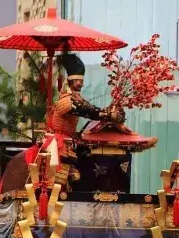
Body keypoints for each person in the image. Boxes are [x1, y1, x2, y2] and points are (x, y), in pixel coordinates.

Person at [51, 53, 124, 186]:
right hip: (59, 143)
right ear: (71, 81)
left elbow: (90, 109)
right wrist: (107, 114)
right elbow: (87, 111)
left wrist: (107, 112)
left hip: (68, 142)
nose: (81, 84)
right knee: (59, 181)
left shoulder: (77, 99)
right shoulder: (66, 100)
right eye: (79, 81)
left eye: (82, 82)